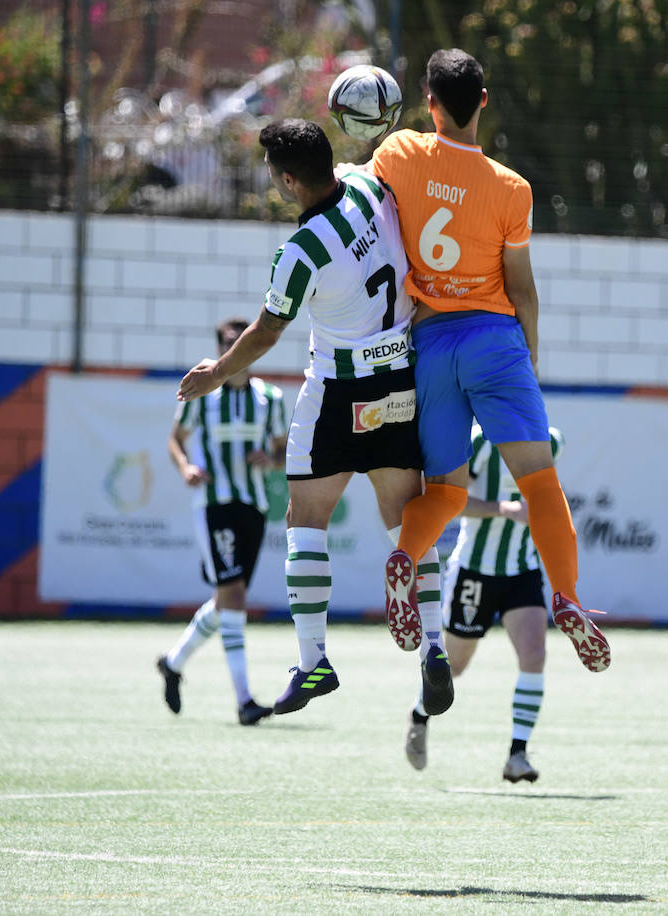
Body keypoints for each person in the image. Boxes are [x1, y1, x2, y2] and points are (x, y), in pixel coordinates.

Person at [178, 118, 455, 719]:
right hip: (398, 380)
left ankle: (313, 661)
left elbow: (265, 333)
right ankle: (433, 644)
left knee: (306, 520)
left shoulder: (299, 251)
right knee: (406, 525)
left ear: (285, 180)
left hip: (337, 389)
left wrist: (216, 374)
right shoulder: (367, 185)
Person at [366, 48, 609, 674]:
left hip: (430, 345)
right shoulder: (511, 188)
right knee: (539, 481)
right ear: (483, 100)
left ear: (429, 103)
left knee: (447, 491)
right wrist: (525, 356)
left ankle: (404, 557)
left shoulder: (399, 155)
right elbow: (521, 286)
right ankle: (567, 598)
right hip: (494, 339)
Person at [404, 424, 566, 783]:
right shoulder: (478, 440)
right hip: (475, 571)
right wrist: (504, 509)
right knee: (455, 666)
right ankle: (418, 715)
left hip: (522, 569)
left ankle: (518, 754)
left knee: (534, 655)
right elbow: (452, 501)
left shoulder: (551, 440)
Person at [157, 317, 289, 726]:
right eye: (230, 343)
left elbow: (284, 451)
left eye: (243, 342)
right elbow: (175, 441)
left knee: (226, 600)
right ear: (221, 349)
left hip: (253, 504)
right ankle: (245, 700)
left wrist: (271, 461)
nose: (238, 349)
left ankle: (173, 663)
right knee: (233, 596)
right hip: (213, 504)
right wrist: (186, 469)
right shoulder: (203, 392)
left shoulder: (270, 397)